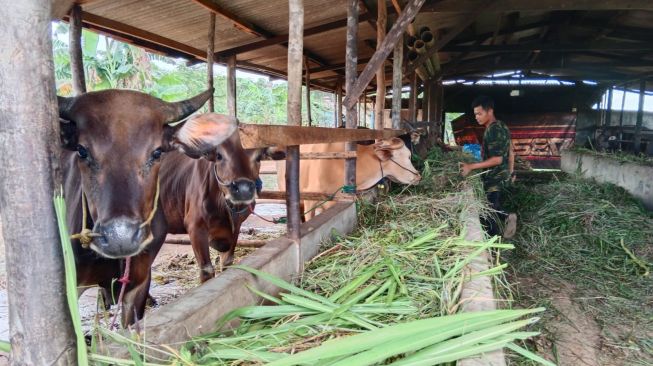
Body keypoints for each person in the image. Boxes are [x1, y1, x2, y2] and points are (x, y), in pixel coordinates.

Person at [460, 96, 517, 238]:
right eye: (475, 114)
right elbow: (511, 151)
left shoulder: (493, 130)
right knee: (492, 208)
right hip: (501, 176)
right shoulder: (502, 126)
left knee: (488, 214)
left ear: (489, 111)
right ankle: (506, 219)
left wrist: (471, 166)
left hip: (494, 178)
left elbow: (497, 159)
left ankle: (493, 243)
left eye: (480, 114)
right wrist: (510, 172)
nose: (477, 117)